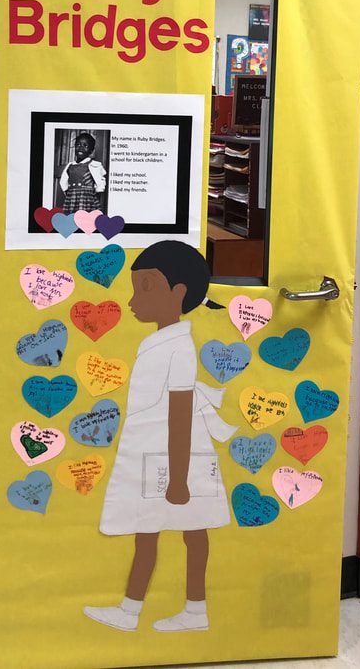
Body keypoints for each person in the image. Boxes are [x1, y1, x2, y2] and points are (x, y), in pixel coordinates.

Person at [84, 241, 235, 634]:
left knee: (191, 530)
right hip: (160, 453)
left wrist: (181, 479)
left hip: (175, 455)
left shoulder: (179, 349)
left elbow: (181, 413)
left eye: (144, 287)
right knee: (150, 531)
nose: (134, 299)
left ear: (178, 293)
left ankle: (193, 610)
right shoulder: (159, 343)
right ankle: (133, 610)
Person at [58, 132, 106, 213]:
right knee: (72, 218)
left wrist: (94, 192)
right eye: (78, 144)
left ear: (91, 151)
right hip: (72, 199)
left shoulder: (94, 165)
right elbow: (63, 181)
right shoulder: (70, 165)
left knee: (86, 220)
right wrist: (70, 193)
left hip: (87, 200)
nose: (81, 148)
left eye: (85, 145)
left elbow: (101, 181)